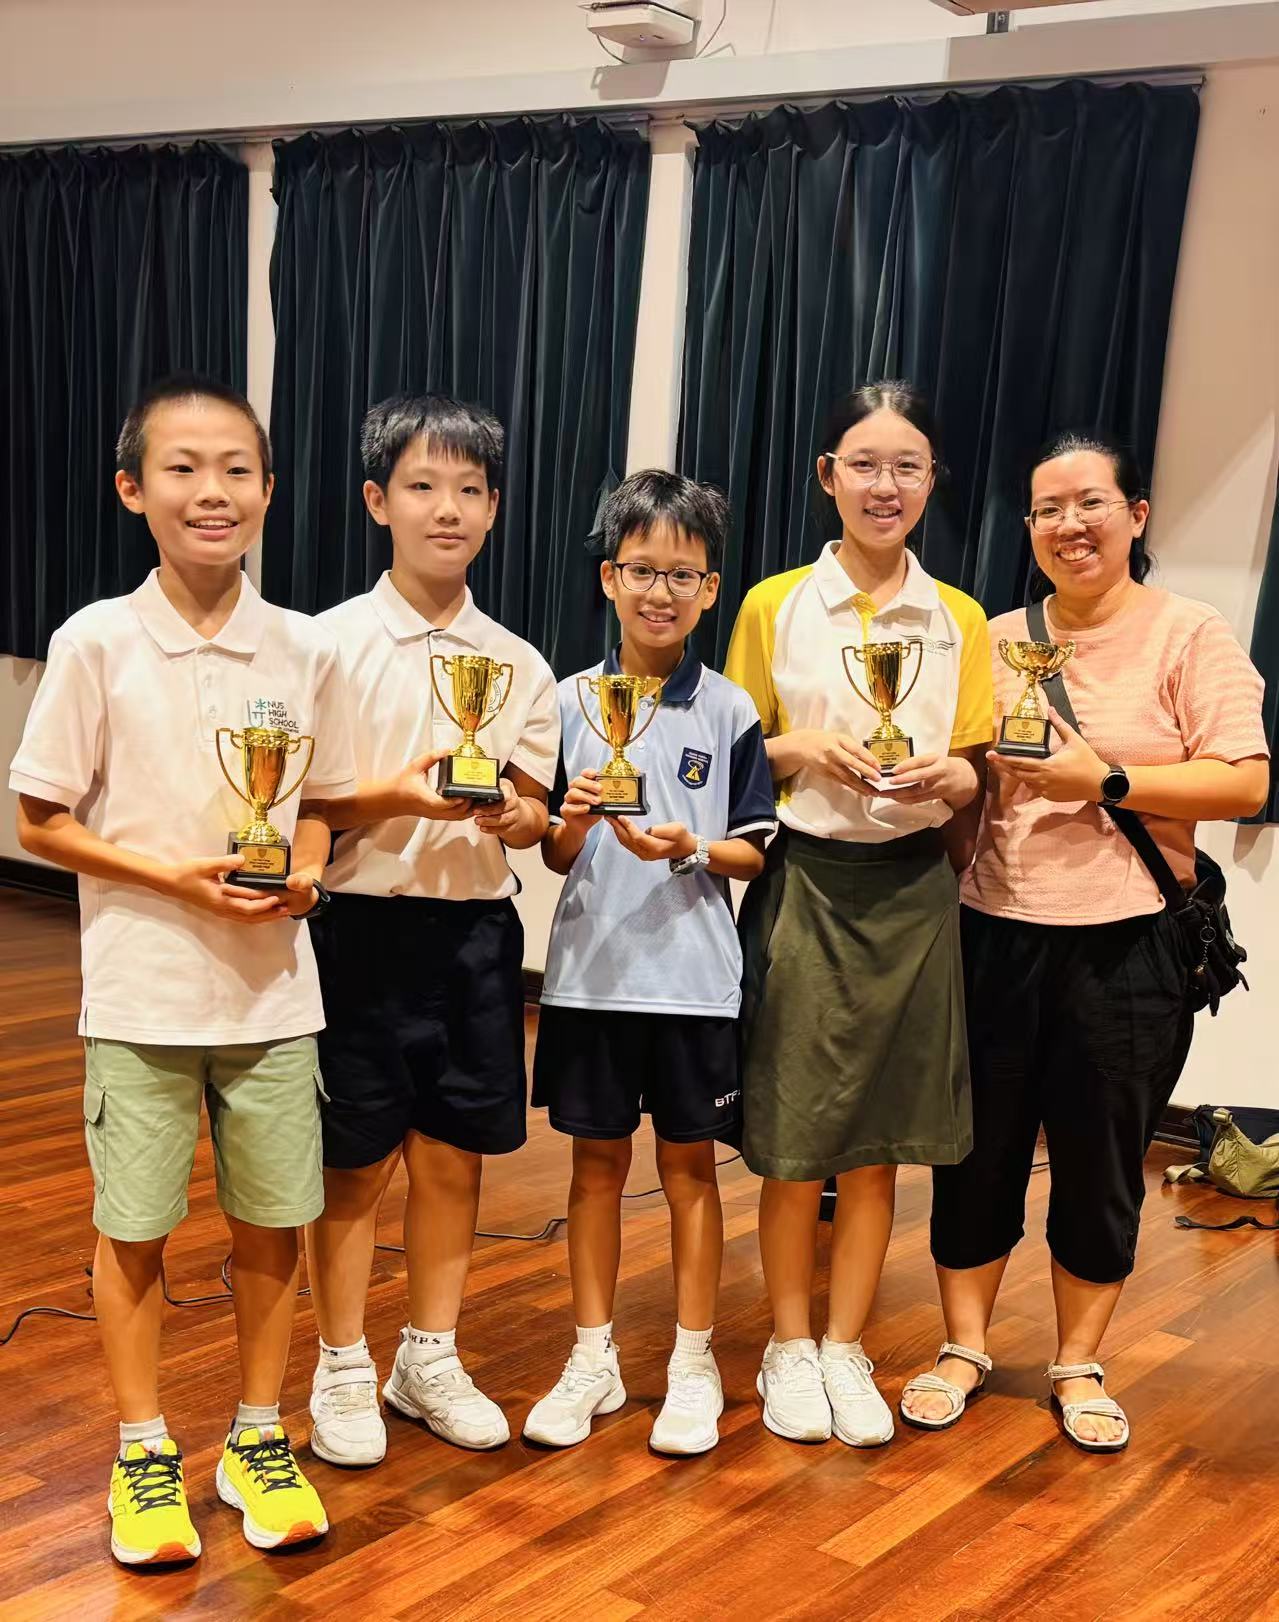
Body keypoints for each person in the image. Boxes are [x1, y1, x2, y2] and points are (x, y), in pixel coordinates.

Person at [10, 375, 353, 1564]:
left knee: (273, 1225)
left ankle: (257, 1436)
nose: (213, 491)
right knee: (136, 1229)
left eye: (236, 469)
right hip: (142, 993)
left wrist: (307, 867)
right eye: (183, 468)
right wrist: (172, 878)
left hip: (274, 995)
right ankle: (142, 1450)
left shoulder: (303, 644)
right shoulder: (95, 639)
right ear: (132, 489)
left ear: (268, 489)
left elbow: (319, 805)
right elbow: (40, 818)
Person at [901, 430, 1269, 1452]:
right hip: (993, 934)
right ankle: (963, 1347)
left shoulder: (1188, 634)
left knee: (1101, 1164)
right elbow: (971, 777)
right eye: (1046, 509)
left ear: (1134, 516)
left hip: (1129, 947)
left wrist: (1105, 780)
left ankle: (1076, 1362)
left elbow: (1243, 780)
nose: (1068, 525)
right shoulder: (993, 638)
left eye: (1089, 504)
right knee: (974, 1157)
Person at [724, 381, 993, 1448]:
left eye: (907, 466)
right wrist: (797, 748)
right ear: (827, 475)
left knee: (880, 1141)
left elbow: (976, 765)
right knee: (795, 1136)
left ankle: (845, 1344)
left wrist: (956, 778)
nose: (886, 486)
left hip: (913, 888)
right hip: (806, 880)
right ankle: (787, 1344)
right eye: (865, 464)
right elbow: (734, 750)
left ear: (931, 482)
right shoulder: (772, 603)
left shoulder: (960, 616)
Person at [305, 393, 558, 1466]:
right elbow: (295, 804)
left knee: (453, 1160)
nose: (446, 508)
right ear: (378, 501)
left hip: (473, 937)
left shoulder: (520, 662)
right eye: (422, 486)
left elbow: (537, 810)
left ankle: (429, 1355)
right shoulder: (323, 645)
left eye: (468, 489)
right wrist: (393, 798)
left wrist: (521, 817)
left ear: (493, 508)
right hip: (355, 932)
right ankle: (340, 1363)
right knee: (352, 1164)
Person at [522, 470, 775, 1456]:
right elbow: (552, 851)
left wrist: (690, 847)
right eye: (641, 570)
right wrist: (575, 819)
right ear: (608, 577)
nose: (659, 591)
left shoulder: (730, 709)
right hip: (589, 976)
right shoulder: (566, 701)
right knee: (593, 1168)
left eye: (680, 574)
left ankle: (692, 1359)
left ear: (709, 589)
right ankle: (592, 1356)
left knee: (688, 1170)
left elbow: (754, 851)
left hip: (693, 982)